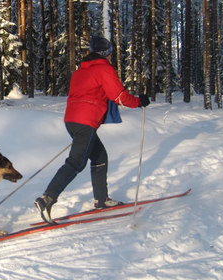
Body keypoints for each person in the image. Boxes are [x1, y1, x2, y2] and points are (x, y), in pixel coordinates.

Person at [35, 36, 150, 224]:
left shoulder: (79, 72)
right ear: (106, 53)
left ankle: (101, 200)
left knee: (99, 157)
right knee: (75, 163)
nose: (112, 56)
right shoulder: (105, 69)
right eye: (111, 52)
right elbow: (120, 97)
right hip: (86, 121)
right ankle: (46, 199)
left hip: (72, 120)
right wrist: (139, 101)